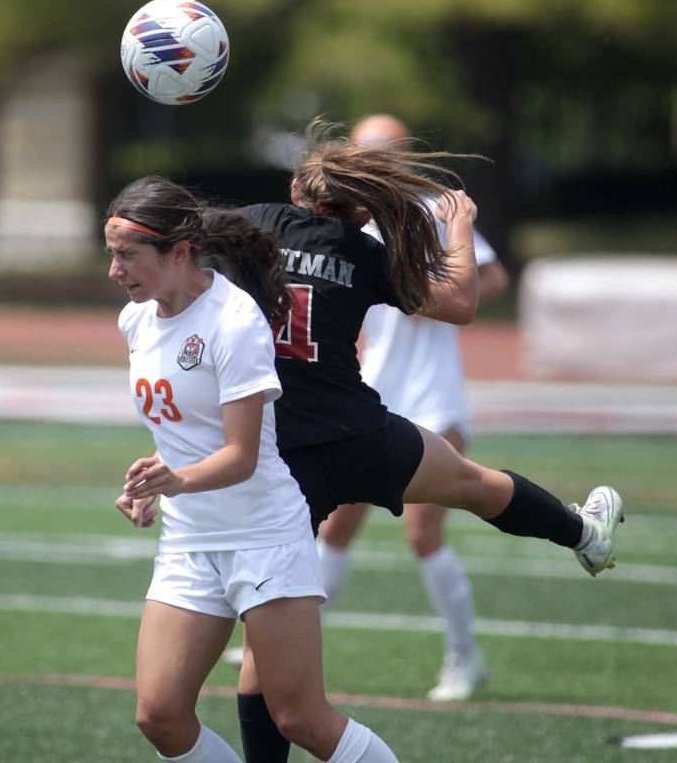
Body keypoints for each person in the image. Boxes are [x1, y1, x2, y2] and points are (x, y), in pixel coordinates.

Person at [210, 120, 624, 763]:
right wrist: (458, 223)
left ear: (296, 190)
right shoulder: (365, 251)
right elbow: (460, 302)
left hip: (286, 455)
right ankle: (583, 534)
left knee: (267, 653)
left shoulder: (259, 223)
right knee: (472, 484)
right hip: (362, 431)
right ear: (364, 207)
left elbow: (182, 236)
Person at [106, 174, 400, 763]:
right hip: (191, 539)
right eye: (111, 254)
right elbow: (189, 429)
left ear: (179, 250)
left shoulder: (233, 320)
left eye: (127, 255)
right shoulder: (136, 321)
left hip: (263, 536)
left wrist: (176, 481)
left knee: (302, 719)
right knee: (159, 714)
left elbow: (242, 455)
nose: (115, 271)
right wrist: (151, 477)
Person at [317, 113, 509, 702]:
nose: (373, 162)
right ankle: (285, 640)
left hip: (434, 393)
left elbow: (493, 278)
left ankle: (465, 656)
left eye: (383, 152)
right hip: (373, 390)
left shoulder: (433, 210)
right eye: (364, 152)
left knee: (424, 532)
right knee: (334, 525)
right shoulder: (352, 219)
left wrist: (425, 294)